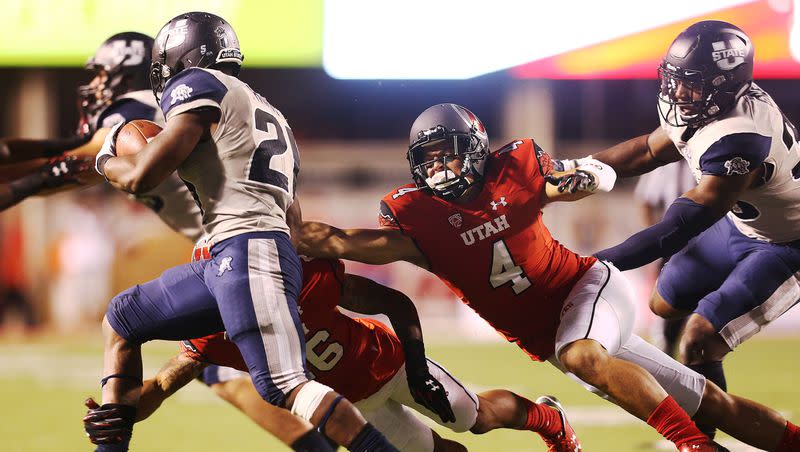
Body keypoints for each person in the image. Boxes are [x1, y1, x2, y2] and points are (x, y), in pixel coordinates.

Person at [296, 102, 800, 451]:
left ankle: (693, 446)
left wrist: (590, 175)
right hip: (560, 333)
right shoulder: (417, 220)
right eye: (426, 159)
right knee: (712, 405)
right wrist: (268, 221)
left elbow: (577, 177)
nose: (439, 168)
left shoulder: (515, 169)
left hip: (588, 291)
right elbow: (335, 240)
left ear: (473, 147)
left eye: (446, 152)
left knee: (580, 354)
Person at [88, 11, 397, 452]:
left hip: (248, 249)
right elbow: (293, 216)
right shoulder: (269, 113)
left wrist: (107, 155)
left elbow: (142, 176)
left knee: (286, 386)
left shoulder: (196, 84)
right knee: (123, 318)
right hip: (237, 254)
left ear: (183, 58)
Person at [85, 253, 581, 451]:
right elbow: (159, 388)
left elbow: (392, 301)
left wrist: (415, 362)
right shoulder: (208, 337)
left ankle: (547, 419)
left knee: (471, 416)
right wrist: (120, 412)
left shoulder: (305, 277)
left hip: (387, 366)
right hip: (352, 407)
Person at [588, 20, 800, 445]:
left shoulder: (740, 137)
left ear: (726, 87)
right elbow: (647, 150)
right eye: (675, 79)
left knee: (699, 341)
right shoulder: (709, 108)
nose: (679, 93)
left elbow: (674, 229)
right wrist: (578, 169)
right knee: (663, 303)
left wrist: (592, 265)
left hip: (786, 245)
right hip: (742, 225)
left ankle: (701, 440)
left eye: (693, 85)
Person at [633, 160, 695, 357]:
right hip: (674, 240)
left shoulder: (704, 156)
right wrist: (657, 238)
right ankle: (666, 348)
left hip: (708, 237)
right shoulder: (663, 164)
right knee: (671, 299)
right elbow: (646, 201)